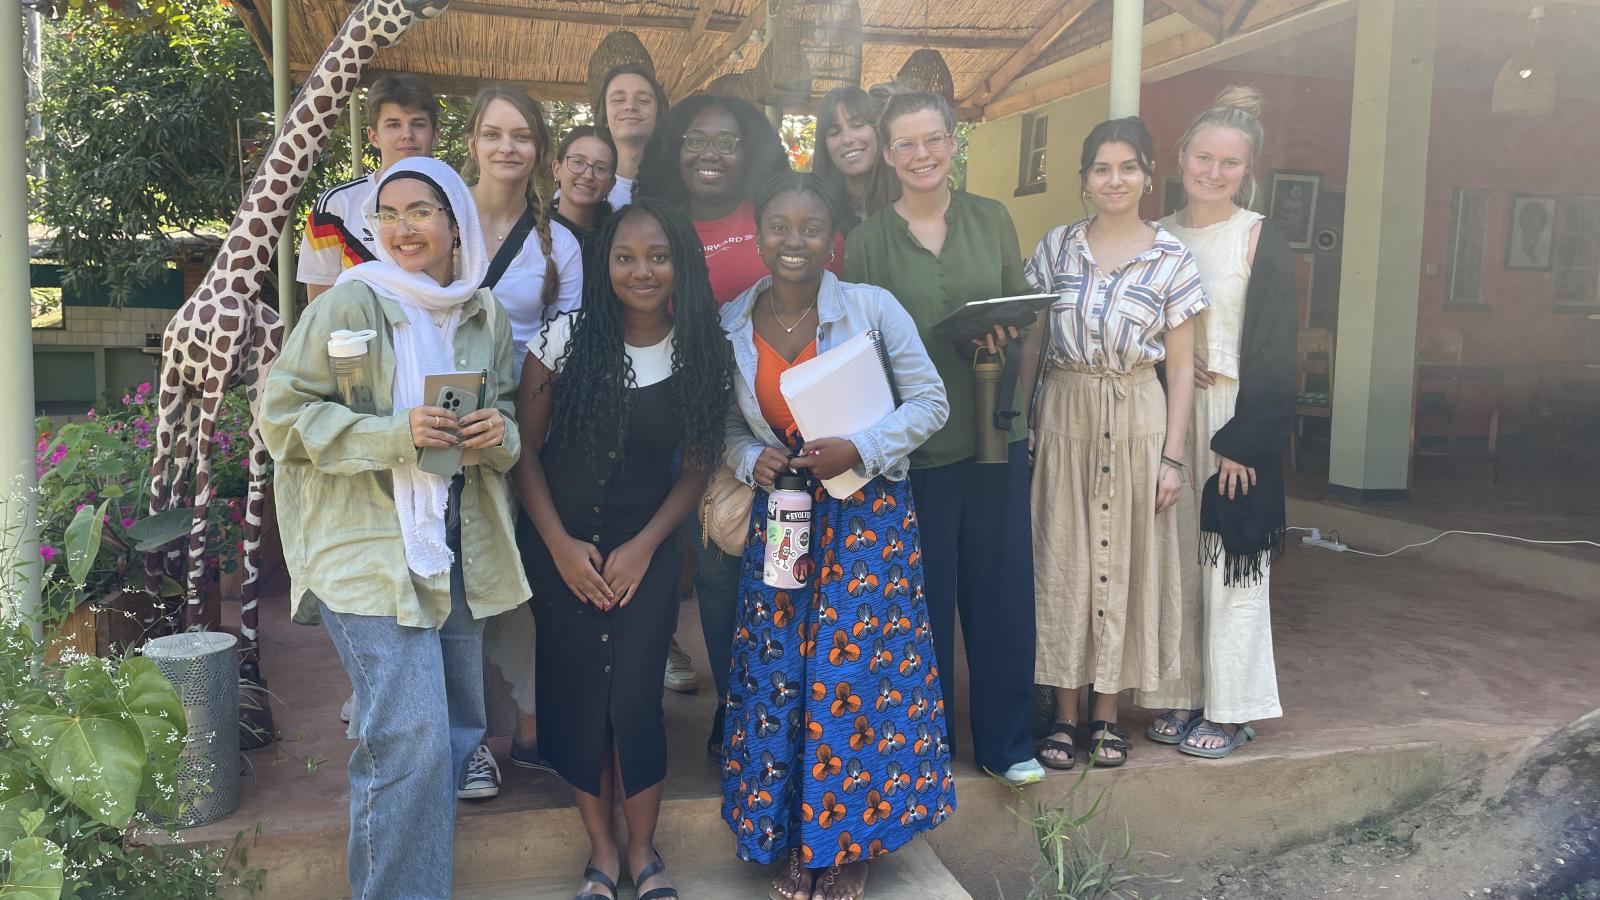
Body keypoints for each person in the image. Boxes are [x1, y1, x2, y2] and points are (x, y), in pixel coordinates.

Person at [261, 157, 525, 898]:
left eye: (422, 211)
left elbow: (508, 434)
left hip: (450, 544)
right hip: (363, 546)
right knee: (409, 738)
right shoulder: (351, 304)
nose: (405, 229)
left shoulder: (484, 313)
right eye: (390, 213)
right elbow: (280, 418)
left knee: (451, 737)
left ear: (455, 224)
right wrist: (394, 434)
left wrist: (488, 434)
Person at [719, 172, 954, 900]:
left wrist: (863, 446)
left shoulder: (871, 309)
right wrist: (743, 457)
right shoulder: (731, 320)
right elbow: (728, 425)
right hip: (784, 520)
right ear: (759, 234)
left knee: (860, 681)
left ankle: (852, 846)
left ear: (833, 239)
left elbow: (932, 401)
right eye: (780, 226)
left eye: (810, 227)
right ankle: (794, 834)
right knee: (782, 674)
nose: (795, 241)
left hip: (867, 523)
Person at [515, 197, 733, 900]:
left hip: (649, 552)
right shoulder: (562, 342)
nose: (643, 271)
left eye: (659, 256)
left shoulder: (702, 350)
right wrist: (558, 546)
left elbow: (699, 466)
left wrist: (642, 547)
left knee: (635, 701)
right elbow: (524, 452)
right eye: (626, 256)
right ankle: (602, 852)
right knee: (582, 700)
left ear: (681, 266)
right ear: (604, 262)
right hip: (562, 552)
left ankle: (644, 852)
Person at [844, 91, 1046, 788]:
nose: (922, 155)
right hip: (914, 450)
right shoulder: (869, 238)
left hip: (994, 430)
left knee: (1001, 594)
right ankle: (923, 746)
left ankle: (1006, 743)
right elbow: (859, 344)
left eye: (933, 140)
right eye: (906, 144)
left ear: (953, 142)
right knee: (920, 603)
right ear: (888, 154)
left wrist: (1006, 332)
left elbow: (1024, 312)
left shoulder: (991, 219)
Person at [1019, 117, 1207, 770]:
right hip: (1067, 409)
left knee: (1129, 561)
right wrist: (1027, 417)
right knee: (1063, 556)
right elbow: (1033, 341)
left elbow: (1180, 368)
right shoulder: (1055, 249)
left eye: (1128, 167)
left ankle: (1107, 714)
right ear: (1084, 180)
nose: (1115, 179)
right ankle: (1064, 714)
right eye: (1102, 168)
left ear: (1149, 178)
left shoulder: (1172, 257)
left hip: (1138, 415)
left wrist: (1173, 457)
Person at [1134, 87, 1294, 759]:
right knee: (1174, 561)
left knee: (1233, 563)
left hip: (1234, 418)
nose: (1214, 172)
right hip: (1166, 413)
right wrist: (1164, 361)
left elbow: (1277, 346)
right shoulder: (1156, 236)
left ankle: (1231, 707)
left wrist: (1245, 442)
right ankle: (1179, 691)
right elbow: (1132, 327)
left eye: (1230, 163)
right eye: (1204, 157)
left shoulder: (1257, 237)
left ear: (1247, 169)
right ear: (1181, 157)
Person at [638, 92, 799, 722]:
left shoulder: (774, 218)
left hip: (767, 426)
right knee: (709, 567)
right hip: (671, 418)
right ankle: (737, 712)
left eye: (727, 141)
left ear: (748, 151)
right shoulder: (655, 220)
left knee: (778, 567)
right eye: (695, 139)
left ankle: (780, 708)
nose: (710, 153)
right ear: (674, 149)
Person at [459, 85, 584, 799]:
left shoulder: (556, 241)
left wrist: (532, 431)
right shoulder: (441, 221)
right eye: (494, 134)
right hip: (448, 429)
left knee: (520, 584)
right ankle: (469, 739)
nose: (508, 148)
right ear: (472, 141)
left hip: (524, 432)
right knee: (457, 589)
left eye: (522, 136)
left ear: (539, 149)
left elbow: (565, 342)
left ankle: (532, 729)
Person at [298, 73, 440, 303]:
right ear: (373, 136)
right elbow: (320, 305)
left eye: (418, 124)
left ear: (435, 136)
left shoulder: (457, 202)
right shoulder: (334, 207)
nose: (407, 134)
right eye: (394, 125)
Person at [812, 85, 900, 234]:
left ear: (879, 130)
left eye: (858, 125)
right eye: (834, 132)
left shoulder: (909, 200)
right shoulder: (816, 212)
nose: (847, 139)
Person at [594, 64, 669, 209]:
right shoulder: (585, 186)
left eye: (643, 100)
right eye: (618, 100)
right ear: (604, 117)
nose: (630, 106)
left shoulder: (678, 187)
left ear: (658, 114)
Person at [550, 125, 619, 258]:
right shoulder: (533, 233)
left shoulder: (617, 240)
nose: (588, 175)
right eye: (578, 162)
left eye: (600, 168)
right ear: (557, 169)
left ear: (610, 184)